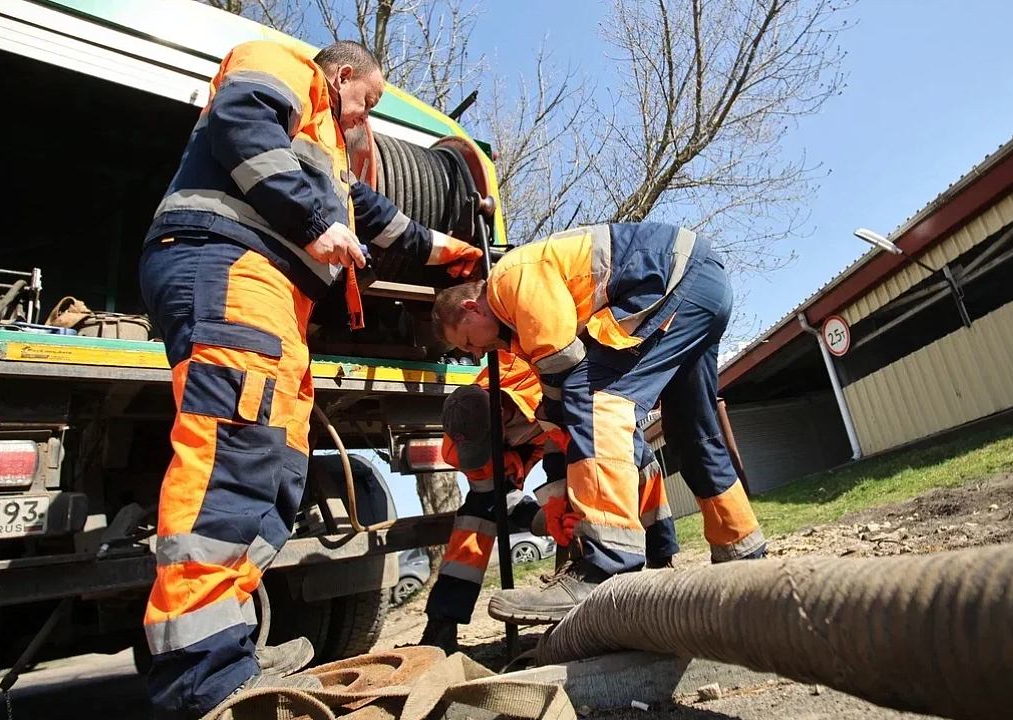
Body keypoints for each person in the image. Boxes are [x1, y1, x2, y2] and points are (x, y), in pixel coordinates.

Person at [138, 39, 483, 720]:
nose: (365, 119)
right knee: (236, 453)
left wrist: (455, 251)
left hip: (272, 294)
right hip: (229, 267)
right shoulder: (281, 63)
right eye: (367, 102)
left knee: (278, 466)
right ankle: (202, 675)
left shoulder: (323, 152)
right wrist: (313, 220)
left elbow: (379, 219)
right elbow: (242, 120)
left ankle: (225, 645)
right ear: (343, 74)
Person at [431, 223, 765, 624]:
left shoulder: (509, 280)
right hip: (699, 285)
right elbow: (558, 426)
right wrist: (557, 507)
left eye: (469, 341)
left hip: (672, 278)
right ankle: (741, 551)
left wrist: (565, 448)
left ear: (472, 308)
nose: (478, 351)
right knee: (691, 431)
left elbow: (565, 369)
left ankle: (606, 562)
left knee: (597, 398)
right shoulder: (514, 333)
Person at [418, 351, 678, 652]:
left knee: (637, 458)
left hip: (577, 420)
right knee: (474, 518)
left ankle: (661, 560)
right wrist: (543, 517)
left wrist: (563, 499)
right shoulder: (458, 444)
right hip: (535, 441)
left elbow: (569, 438)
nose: (478, 455)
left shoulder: (537, 385)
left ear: (500, 415)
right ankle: (442, 622)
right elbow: (493, 497)